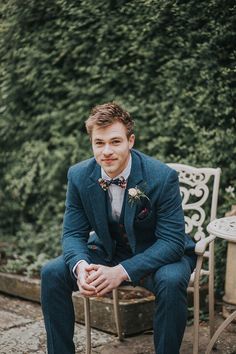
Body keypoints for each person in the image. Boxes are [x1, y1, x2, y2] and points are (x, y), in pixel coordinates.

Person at [41, 102, 196, 354]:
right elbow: (72, 233)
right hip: (110, 249)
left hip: (158, 252)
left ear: (130, 141)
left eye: (115, 141)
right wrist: (80, 267)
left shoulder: (162, 176)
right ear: (92, 143)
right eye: (99, 143)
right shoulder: (79, 175)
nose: (106, 152)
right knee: (52, 272)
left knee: (171, 279)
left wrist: (121, 272)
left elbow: (171, 242)